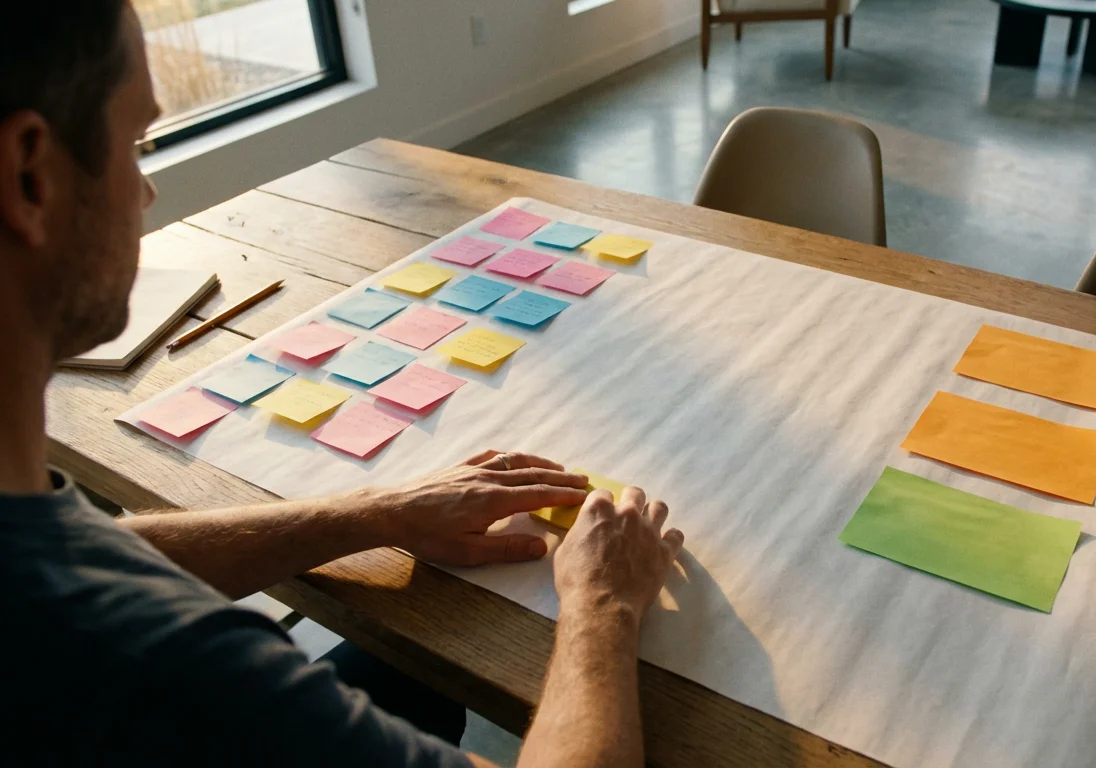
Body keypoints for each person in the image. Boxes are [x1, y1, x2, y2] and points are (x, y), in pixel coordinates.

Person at [0, 3, 684, 766]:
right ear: (29, 174)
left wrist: (376, 511)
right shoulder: (165, 673)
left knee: (409, 666)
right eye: (136, 144)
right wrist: (601, 608)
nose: (148, 192)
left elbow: (93, 550)